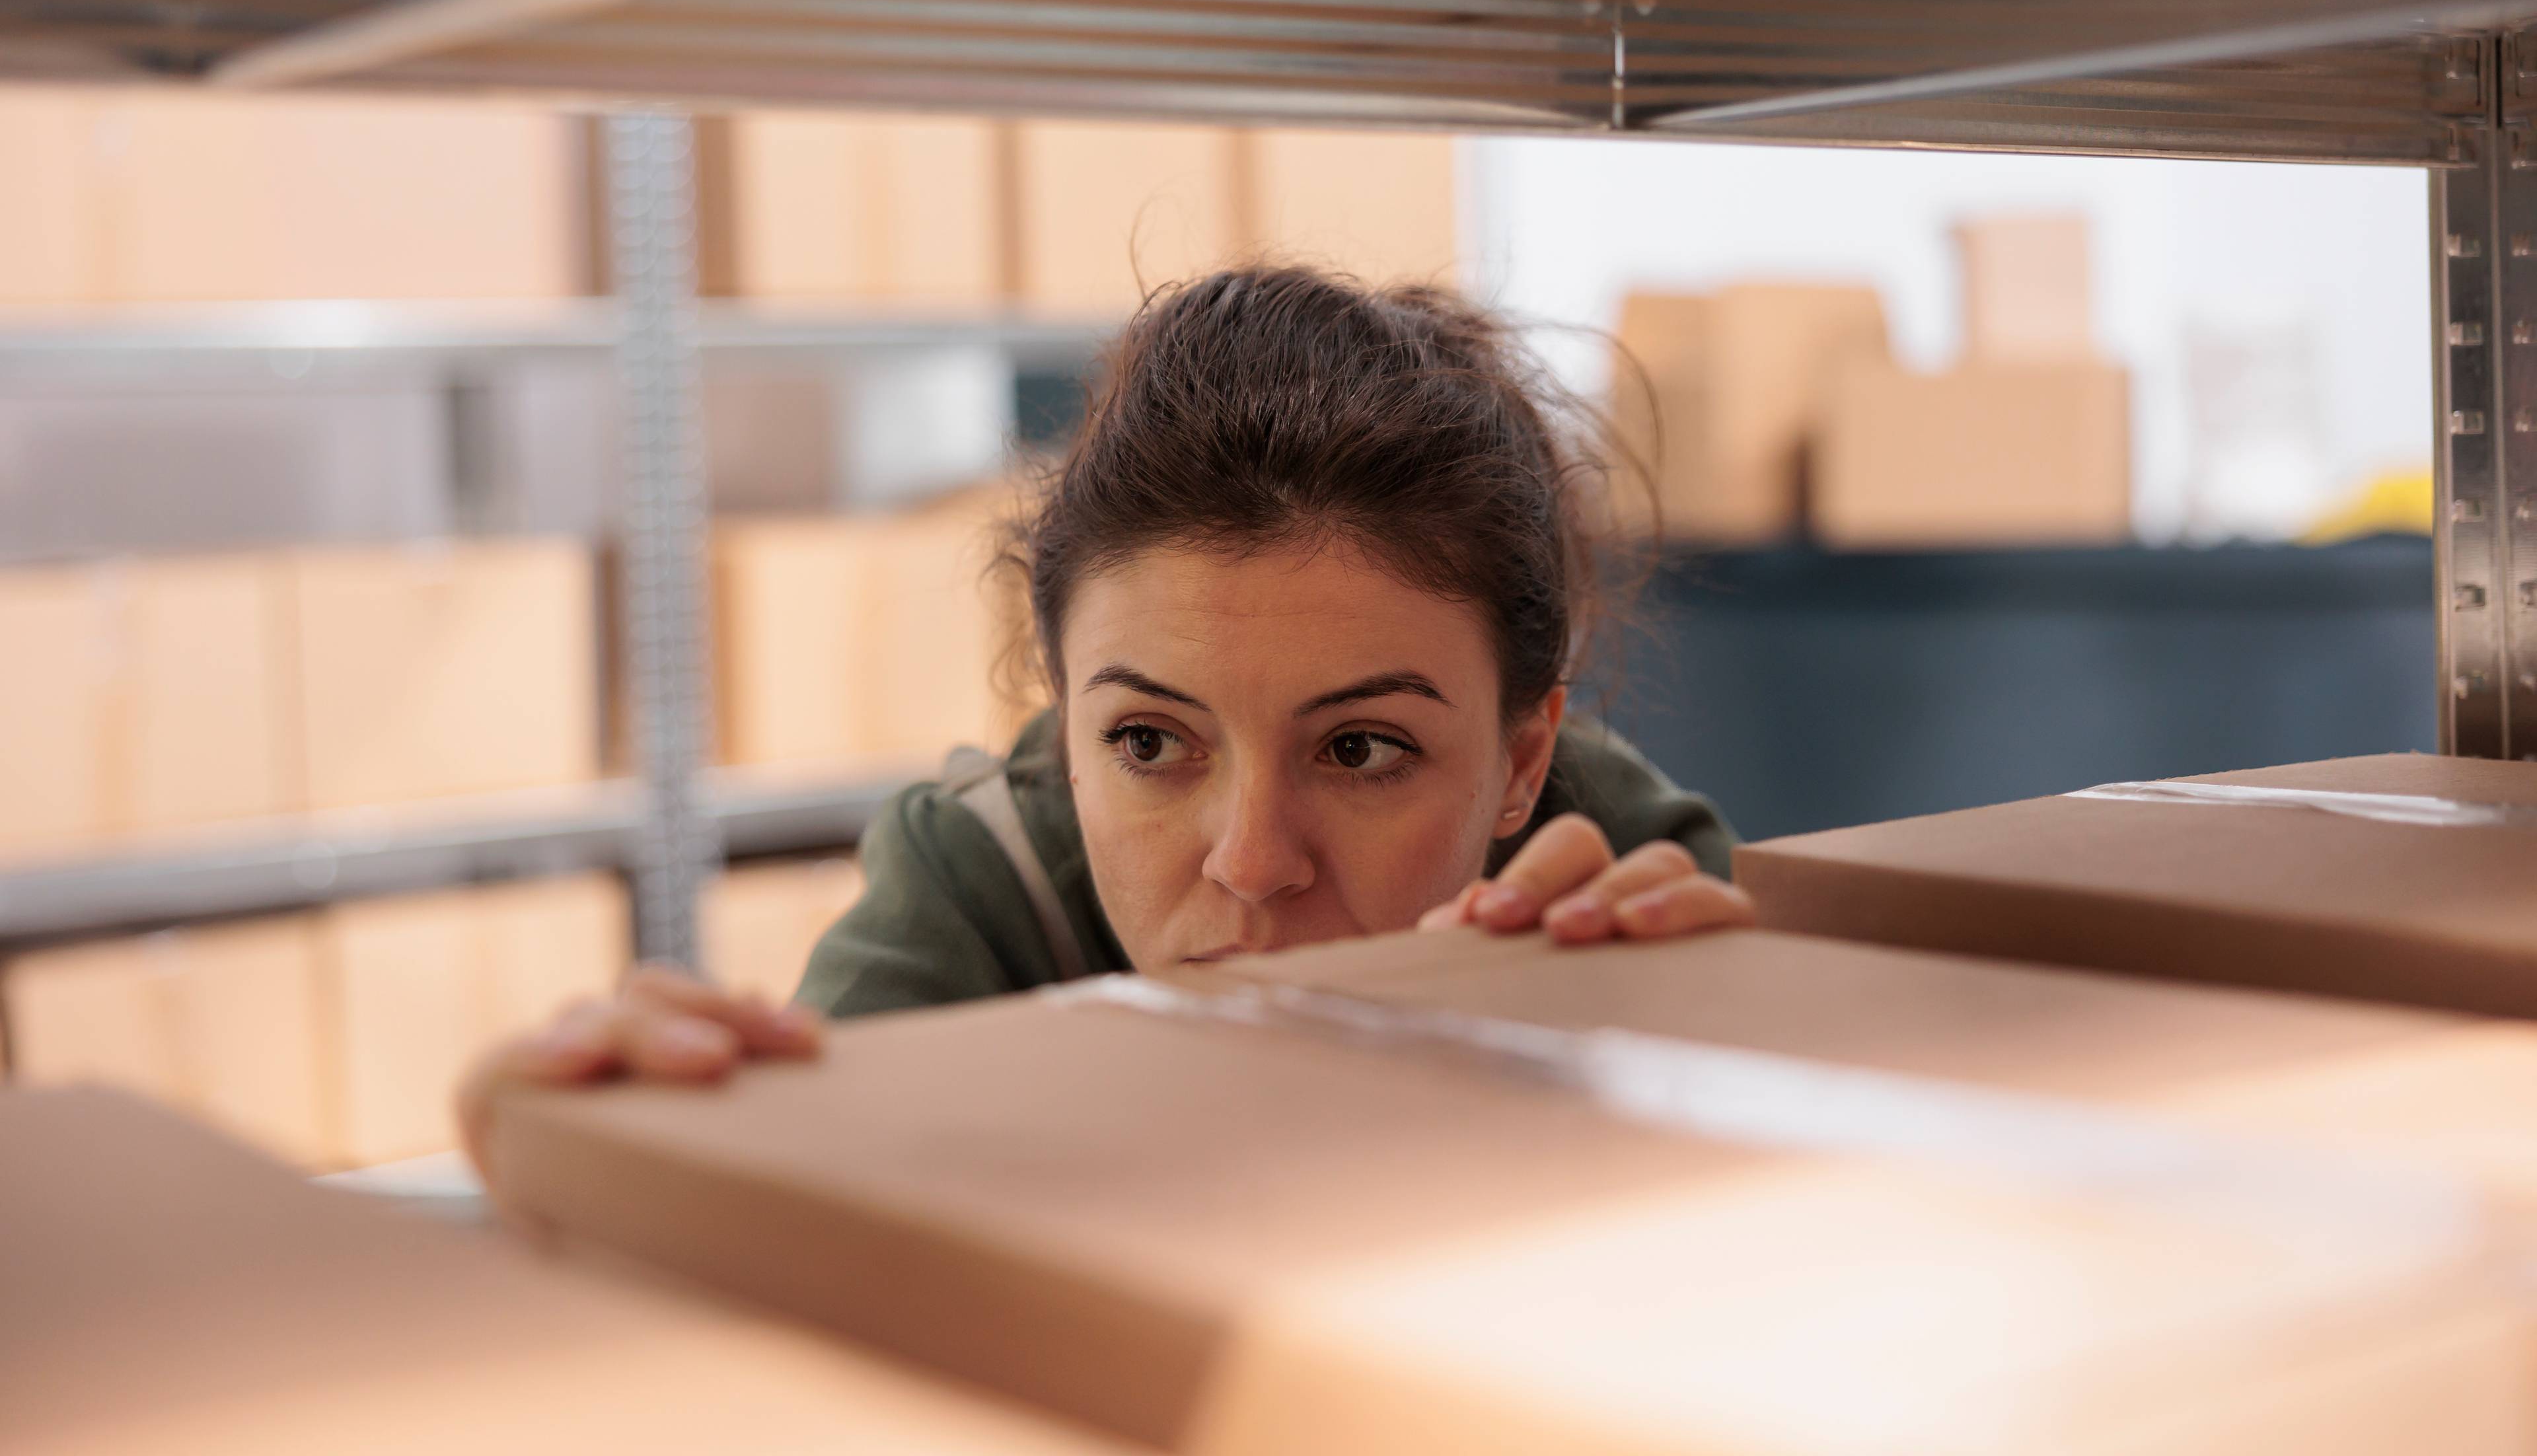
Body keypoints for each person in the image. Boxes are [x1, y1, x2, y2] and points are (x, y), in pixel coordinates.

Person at [460, 266, 1750, 1166]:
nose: (1251, 859)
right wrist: (596, 1195)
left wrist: (1691, 1059)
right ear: (1064, 715)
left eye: (1361, 749)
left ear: (1524, 760)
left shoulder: (1613, 886)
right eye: (1148, 742)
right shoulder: (984, 884)